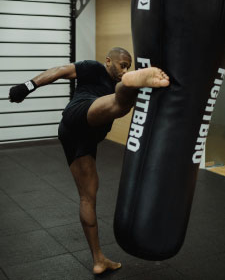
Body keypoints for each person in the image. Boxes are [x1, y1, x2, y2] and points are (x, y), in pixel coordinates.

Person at [9, 47, 170, 274]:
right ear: (108, 61)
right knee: (118, 103)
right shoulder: (93, 68)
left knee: (88, 196)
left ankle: (98, 259)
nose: (124, 68)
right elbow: (59, 70)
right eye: (122, 65)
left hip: (80, 138)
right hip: (80, 114)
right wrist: (27, 86)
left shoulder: (112, 78)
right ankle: (133, 86)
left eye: (128, 67)